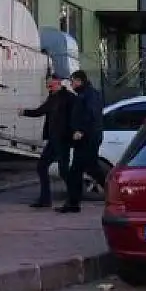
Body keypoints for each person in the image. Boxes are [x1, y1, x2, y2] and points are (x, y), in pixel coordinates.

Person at [19, 75, 75, 208]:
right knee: (42, 166)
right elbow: (41, 110)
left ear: (59, 83)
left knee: (64, 170)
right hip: (53, 139)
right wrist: (25, 112)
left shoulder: (69, 98)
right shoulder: (52, 97)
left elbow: (75, 116)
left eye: (51, 84)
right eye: (48, 85)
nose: (49, 87)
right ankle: (45, 199)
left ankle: (73, 197)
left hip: (63, 139)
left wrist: (74, 132)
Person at [60, 70, 108, 214]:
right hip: (86, 138)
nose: (71, 84)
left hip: (88, 138)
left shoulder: (89, 94)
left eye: (72, 81)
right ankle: (73, 203)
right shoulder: (83, 94)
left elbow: (90, 114)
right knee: (81, 170)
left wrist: (81, 130)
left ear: (79, 81)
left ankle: (115, 192)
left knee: (86, 169)